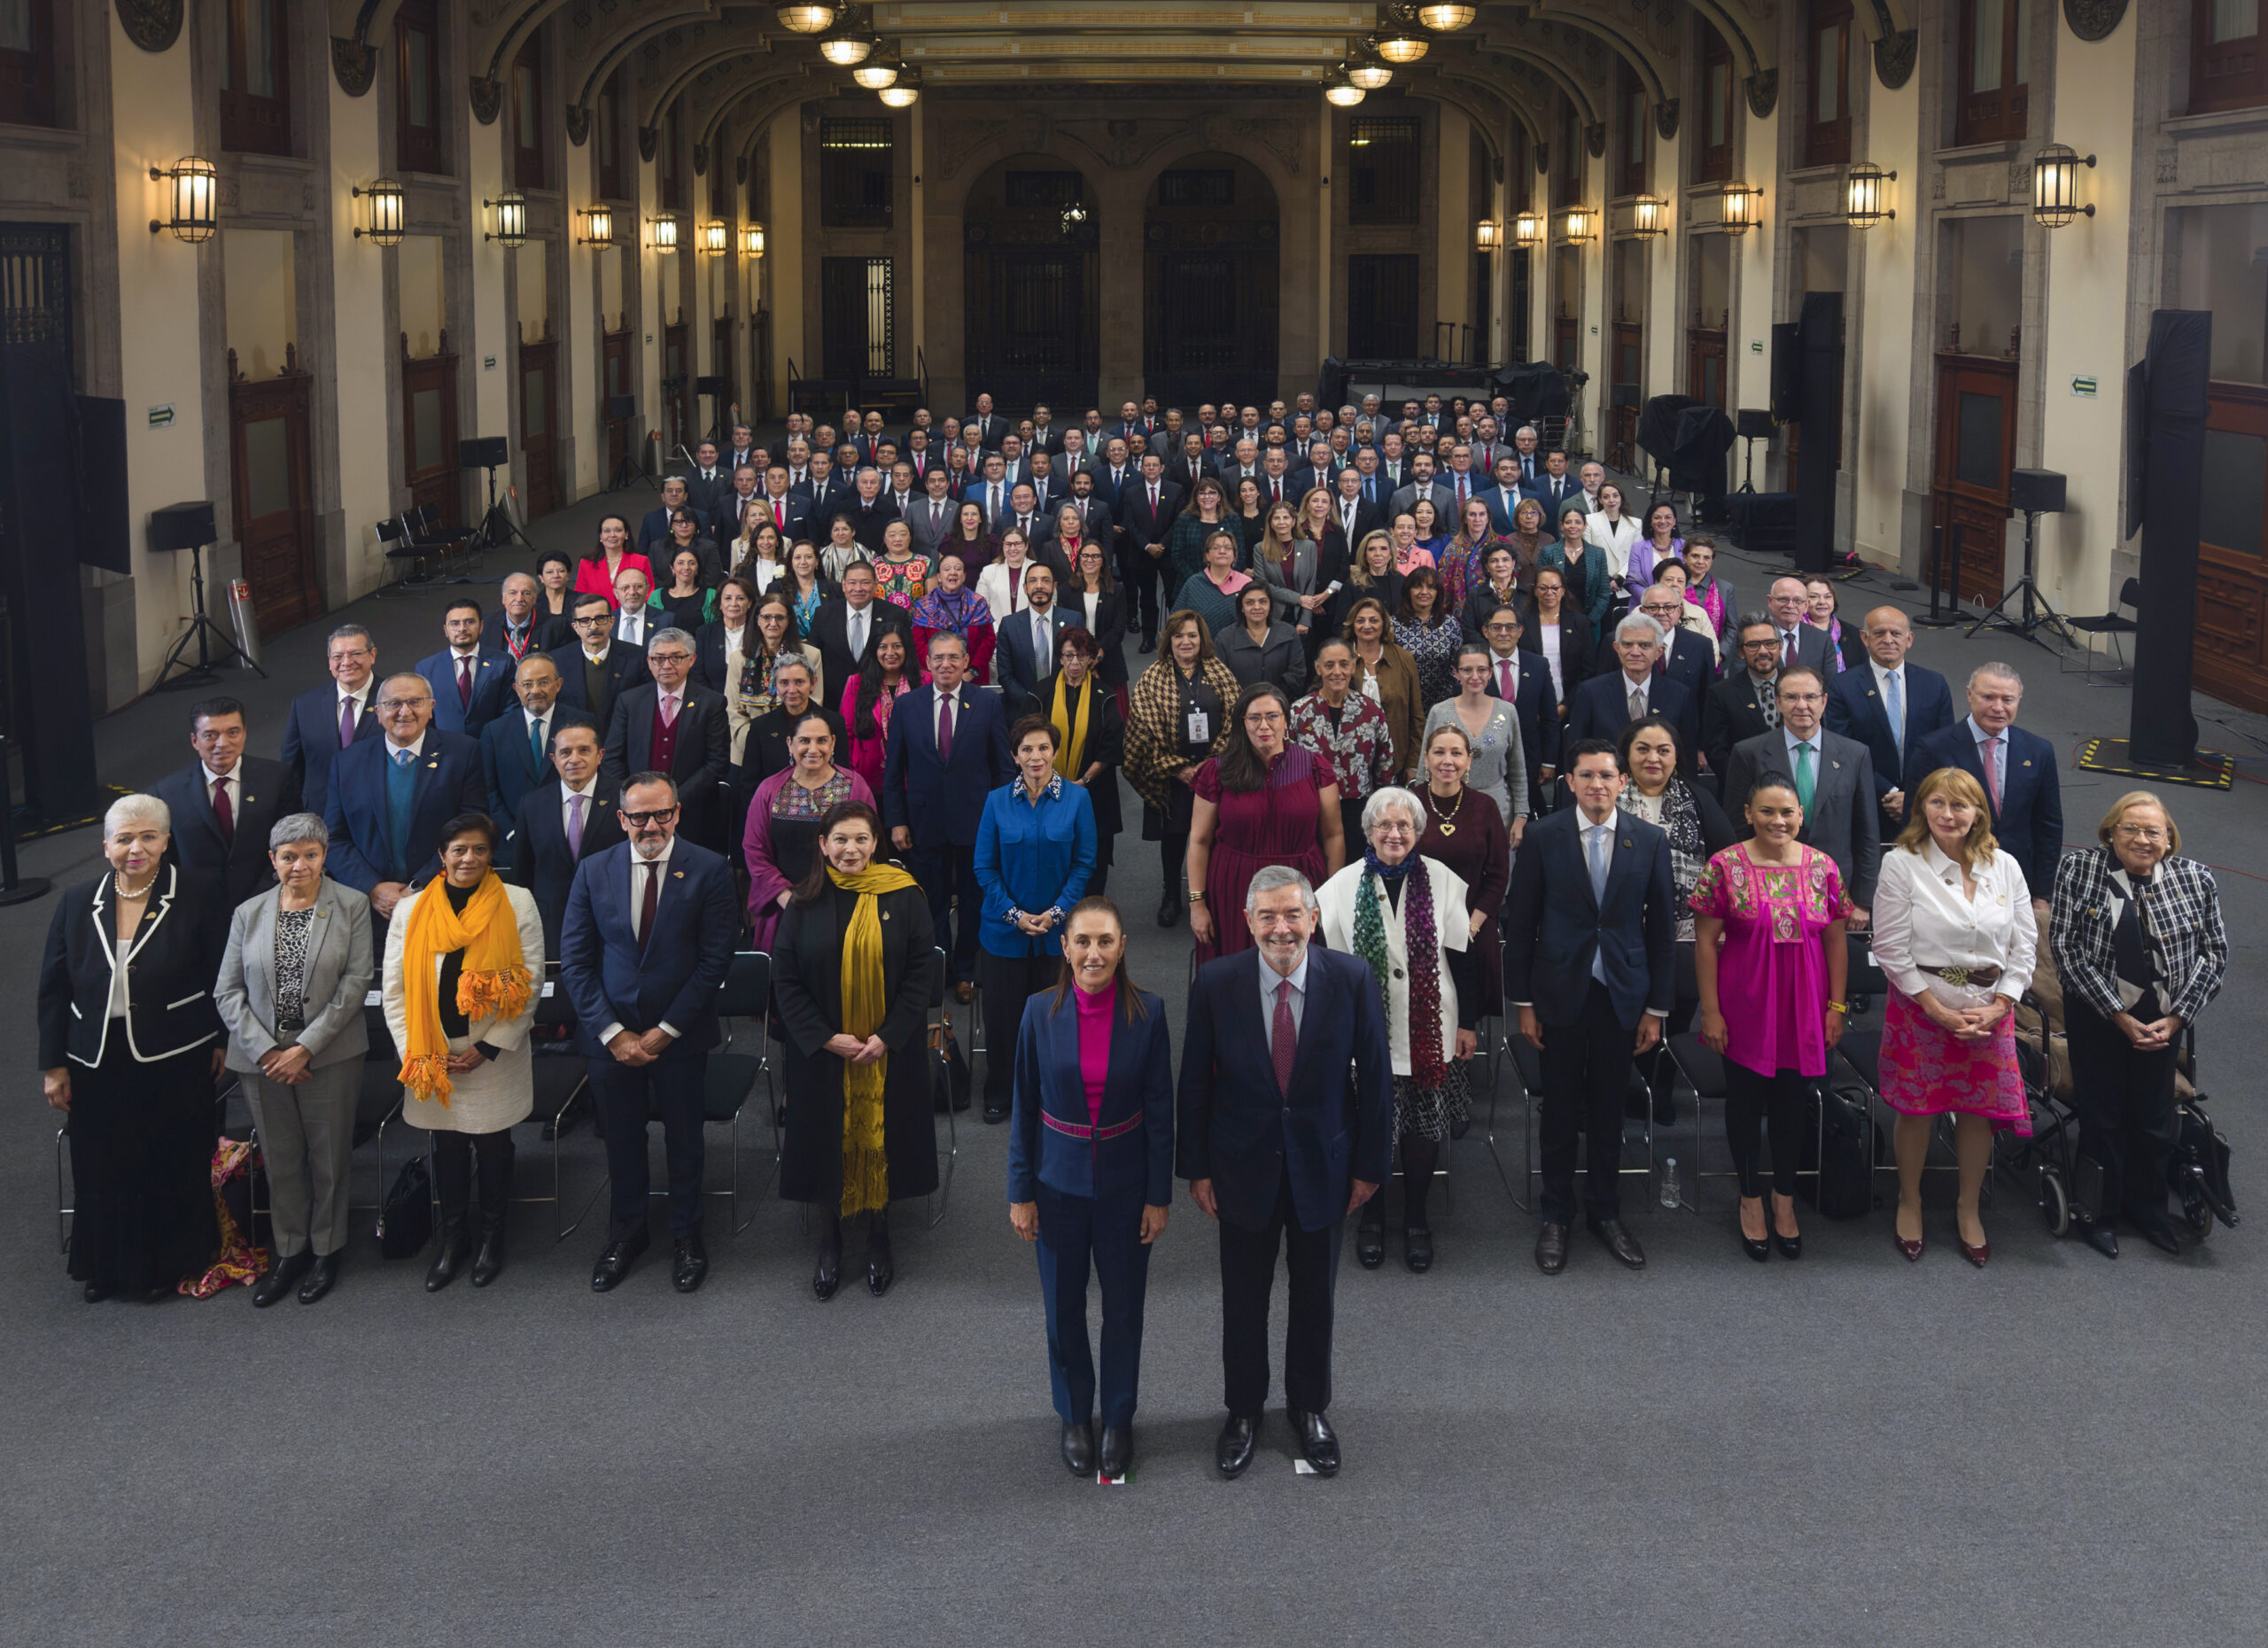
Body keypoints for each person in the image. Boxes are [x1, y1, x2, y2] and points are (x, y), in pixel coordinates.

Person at [1177, 866, 1394, 1479]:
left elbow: (1375, 1080)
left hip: (1324, 1168)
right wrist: (1195, 1169)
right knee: (1243, 1301)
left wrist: (1370, 1167)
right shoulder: (1216, 982)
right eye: (1267, 916)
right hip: (1239, 1169)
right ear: (1247, 922)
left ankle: (1309, 1408)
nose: (1281, 928)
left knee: (1315, 1300)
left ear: (1314, 918)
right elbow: (1194, 1080)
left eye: (1293, 914)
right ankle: (1243, 1411)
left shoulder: (1350, 978)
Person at [1006, 898, 1174, 1480]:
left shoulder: (1148, 1014)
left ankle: (1119, 1416)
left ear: (1123, 945)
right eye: (1083, 941)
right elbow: (1024, 1107)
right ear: (1065, 946)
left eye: (1105, 941)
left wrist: (1159, 1195)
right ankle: (1076, 1414)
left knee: (1124, 1310)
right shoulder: (1037, 1012)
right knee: (1063, 1308)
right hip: (1056, 1184)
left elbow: (1161, 1112)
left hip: (1128, 1186)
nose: (1093, 953)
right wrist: (1019, 1192)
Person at [39, 796, 226, 1302]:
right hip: (95, 1058)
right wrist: (53, 1064)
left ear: (167, 841)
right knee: (101, 1163)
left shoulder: (198, 892)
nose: (135, 848)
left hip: (175, 1054)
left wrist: (219, 1039)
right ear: (105, 846)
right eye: (123, 839)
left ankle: (167, 1265)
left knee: (168, 1158)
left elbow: (220, 976)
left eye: (147, 836)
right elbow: (54, 986)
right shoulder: (78, 900)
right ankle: (107, 1267)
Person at [561, 773, 739, 1294]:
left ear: (677, 813)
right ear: (622, 820)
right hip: (609, 1037)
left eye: (662, 813)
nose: (651, 825)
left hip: (680, 1036)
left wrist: (663, 1032)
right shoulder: (594, 870)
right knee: (621, 1142)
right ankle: (627, 1234)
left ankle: (687, 1235)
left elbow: (714, 963)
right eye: (639, 816)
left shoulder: (710, 869)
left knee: (685, 1141)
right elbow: (575, 961)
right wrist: (615, 1035)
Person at [1504, 740, 1674, 1275]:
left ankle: (1605, 1211)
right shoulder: (1542, 837)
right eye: (1586, 776)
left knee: (1607, 1106)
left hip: (1621, 992)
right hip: (1557, 991)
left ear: (1623, 782)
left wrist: (1658, 1008)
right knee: (1558, 1108)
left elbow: (1663, 932)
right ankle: (1557, 1214)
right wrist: (1523, 1003)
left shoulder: (1650, 839)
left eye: (1607, 776)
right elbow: (1521, 923)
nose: (1597, 785)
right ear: (1570, 783)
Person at [1868, 766, 2039, 1266]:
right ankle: (1910, 1200)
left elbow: (2024, 943)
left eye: (1960, 805)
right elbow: (1890, 946)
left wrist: (2003, 1002)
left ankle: (1968, 1208)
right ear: (1923, 807)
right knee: (1917, 1110)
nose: (1948, 814)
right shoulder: (1902, 864)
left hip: (1991, 1011)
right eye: (1938, 803)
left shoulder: (2005, 865)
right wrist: (1936, 1007)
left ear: (1977, 813)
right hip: (1922, 1006)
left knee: (1978, 1112)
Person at [2049, 792, 2228, 1259]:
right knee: (2102, 1116)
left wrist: (2177, 1017)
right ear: (2111, 832)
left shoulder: (2197, 879)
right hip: (2099, 1016)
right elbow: (2067, 950)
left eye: (2153, 831)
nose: (2141, 839)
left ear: (2169, 840)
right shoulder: (2080, 869)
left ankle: (2148, 1211)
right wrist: (2119, 1015)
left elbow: (2215, 955)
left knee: (2154, 1120)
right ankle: (2099, 1213)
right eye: (2130, 829)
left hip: (2165, 1022)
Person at [773, 800, 936, 1298]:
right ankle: (830, 1239)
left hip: (889, 1049)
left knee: (885, 1134)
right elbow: (786, 979)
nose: (851, 849)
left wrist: (888, 1035)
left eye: (861, 839)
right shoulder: (801, 902)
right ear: (822, 846)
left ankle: (880, 1234)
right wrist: (825, 1037)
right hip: (824, 1052)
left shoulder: (905, 896)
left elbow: (920, 974)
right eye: (840, 839)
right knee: (828, 1137)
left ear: (875, 844)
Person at [1317, 784, 1480, 1272]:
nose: (1394, 833)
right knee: (1371, 1123)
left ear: (1417, 832)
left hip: (1430, 1025)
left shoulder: (1445, 881)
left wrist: (1468, 1025)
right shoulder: (1339, 888)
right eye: (1384, 825)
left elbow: (1464, 959)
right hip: (1363, 1028)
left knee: (1421, 1123)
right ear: (1368, 831)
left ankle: (1415, 1218)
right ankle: (1370, 1216)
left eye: (1404, 825)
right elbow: (1327, 969)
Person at [384, 812, 546, 1291]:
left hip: (493, 1054)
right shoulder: (411, 911)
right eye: (459, 849)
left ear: (491, 854)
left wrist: (490, 1047)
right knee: (447, 1147)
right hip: (432, 1055)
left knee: (494, 1146)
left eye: (478, 849)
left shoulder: (517, 902)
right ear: (442, 855)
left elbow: (532, 979)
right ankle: (452, 1239)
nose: (468, 858)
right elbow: (394, 990)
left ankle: (493, 1237)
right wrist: (416, 1052)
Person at [216, 814, 373, 1306]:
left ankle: (327, 1250)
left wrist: (304, 1048)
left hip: (329, 1056)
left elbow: (356, 984)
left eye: (309, 855)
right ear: (273, 861)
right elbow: (227, 991)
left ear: (325, 856)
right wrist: (268, 1052)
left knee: (327, 1158)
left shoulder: (352, 905)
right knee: (281, 1159)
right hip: (261, 1061)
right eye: (288, 857)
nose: (299, 865)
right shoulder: (249, 913)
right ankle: (290, 1250)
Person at [1692, 778, 1851, 1262]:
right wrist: (1712, 1012)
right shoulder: (1724, 866)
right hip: (1744, 1005)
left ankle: (1784, 1198)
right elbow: (1703, 946)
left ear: (1801, 814)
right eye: (1766, 812)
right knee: (1745, 1103)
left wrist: (1837, 1007)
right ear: (1748, 812)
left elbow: (1838, 942)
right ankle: (1749, 1197)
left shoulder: (1823, 868)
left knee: (1789, 1104)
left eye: (1787, 812)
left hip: (1805, 1005)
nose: (1777, 821)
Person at [975, 716, 1099, 1123]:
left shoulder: (1078, 799)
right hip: (1003, 933)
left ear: (1055, 753)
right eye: (1026, 749)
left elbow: (1084, 865)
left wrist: (1056, 913)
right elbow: (984, 869)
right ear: (1014, 756)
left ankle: (1052, 1095)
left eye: (1043, 748)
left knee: (1056, 1018)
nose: (1036, 756)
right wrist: (1014, 915)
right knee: (1003, 1018)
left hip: (1057, 933)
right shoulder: (996, 801)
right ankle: (1000, 1091)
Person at [1615, 715, 1736, 1124]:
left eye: (1663, 750)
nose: (1653, 758)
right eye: (1643, 749)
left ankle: (1660, 1087)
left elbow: (1727, 859)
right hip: (1621, 931)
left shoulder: (1699, 797)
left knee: (1675, 1014)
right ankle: (1620, 1086)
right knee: (1622, 1013)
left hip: (1685, 932)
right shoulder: (1607, 796)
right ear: (1626, 756)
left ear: (1676, 756)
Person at [882, 632, 1013, 999]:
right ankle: (937, 969)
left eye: (953, 658)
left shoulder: (986, 704)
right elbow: (894, 771)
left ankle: (966, 972)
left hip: (977, 824)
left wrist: (1001, 820)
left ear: (966, 660)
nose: (945, 664)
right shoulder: (908, 706)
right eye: (938, 658)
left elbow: (1003, 768)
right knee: (930, 903)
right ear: (927, 662)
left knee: (974, 902)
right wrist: (897, 820)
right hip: (923, 823)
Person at [1186, 683, 1346, 965]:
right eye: (1254, 718)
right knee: (1235, 977)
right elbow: (1199, 840)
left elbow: (1333, 835)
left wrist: (1333, 896)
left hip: (1301, 883)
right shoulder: (1217, 771)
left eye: (1272, 716)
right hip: (1235, 888)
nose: (1264, 725)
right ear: (1242, 723)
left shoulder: (1314, 767)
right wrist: (1197, 902)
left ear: (1286, 720)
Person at [1721, 666, 1881, 926]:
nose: (1802, 705)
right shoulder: (1748, 753)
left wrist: (1863, 901)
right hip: (1769, 888)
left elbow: (1867, 833)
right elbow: (1738, 827)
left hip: (1837, 893)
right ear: (1778, 702)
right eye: (1792, 697)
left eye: (1810, 697)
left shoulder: (1855, 754)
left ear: (1824, 701)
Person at [322, 673, 487, 921]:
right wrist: (373, 888)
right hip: (370, 908)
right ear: (378, 712)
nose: (405, 711)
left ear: (431, 708)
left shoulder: (463, 753)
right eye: (394, 704)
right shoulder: (347, 763)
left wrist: (420, 886)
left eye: (415, 702)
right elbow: (334, 838)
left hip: (444, 900)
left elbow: (473, 829)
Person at [1123, 610, 1240, 928]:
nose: (1185, 641)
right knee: (1173, 838)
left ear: (1201, 639)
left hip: (1214, 774)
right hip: (1172, 776)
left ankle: (1206, 895)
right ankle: (1171, 894)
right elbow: (1143, 730)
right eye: (1178, 636)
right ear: (1168, 641)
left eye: (1191, 635)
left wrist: (1207, 766)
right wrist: (1180, 770)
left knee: (1213, 837)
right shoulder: (1152, 677)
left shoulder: (1219, 672)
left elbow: (1235, 722)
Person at [743, 711, 875, 954]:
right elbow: (755, 851)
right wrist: (786, 898)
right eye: (804, 740)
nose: (813, 749)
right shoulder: (769, 790)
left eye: (821, 740)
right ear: (790, 744)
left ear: (833, 743)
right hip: (784, 908)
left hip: (844, 905)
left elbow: (867, 847)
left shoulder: (855, 787)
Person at [153, 696, 299, 913]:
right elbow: (166, 860)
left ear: (244, 733)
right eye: (210, 735)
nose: (223, 743)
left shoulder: (278, 778)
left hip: (267, 904)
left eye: (233, 732)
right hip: (198, 912)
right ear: (195, 741)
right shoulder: (167, 793)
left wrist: (260, 899)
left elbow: (291, 844)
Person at [1826, 604, 1956, 828]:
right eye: (1879, 633)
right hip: (1868, 803)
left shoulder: (1935, 684)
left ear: (1909, 639)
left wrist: (1914, 795)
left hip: (1925, 805)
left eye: (1896, 633)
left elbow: (1944, 747)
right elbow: (1842, 749)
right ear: (1865, 638)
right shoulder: (1841, 686)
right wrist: (1890, 792)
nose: (1888, 640)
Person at [600, 627, 730, 850]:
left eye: (676, 658)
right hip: (637, 817)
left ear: (692, 660)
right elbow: (612, 759)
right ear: (649, 662)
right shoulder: (629, 702)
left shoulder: (712, 703)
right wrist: (635, 799)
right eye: (659, 659)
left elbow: (717, 762)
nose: (666, 665)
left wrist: (674, 801)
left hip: (692, 814)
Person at [506, 719, 625, 956]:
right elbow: (522, 873)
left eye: (583, 750)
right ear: (554, 760)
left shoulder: (625, 798)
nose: (574, 759)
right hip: (551, 925)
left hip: (614, 922)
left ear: (600, 756)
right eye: (565, 752)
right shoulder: (532, 805)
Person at [1024, 628, 1124, 898]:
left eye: (1082, 656)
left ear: (1092, 659)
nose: (1075, 664)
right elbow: (1027, 742)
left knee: (1093, 863)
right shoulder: (1040, 694)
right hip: (1044, 791)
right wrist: (1050, 782)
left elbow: (1111, 747)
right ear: (1059, 658)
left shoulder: (1105, 696)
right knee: (1052, 865)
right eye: (1069, 656)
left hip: (1093, 791)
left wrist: (1081, 783)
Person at [479, 654, 593, 869]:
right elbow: (489, 792)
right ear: (516, 689)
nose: (535, 690)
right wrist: (514, 831)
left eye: (543, 682)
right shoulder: (494, 731)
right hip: (513, 845)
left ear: (558, 685)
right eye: (527, 684)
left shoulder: (583, 724)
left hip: (573, 843)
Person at [1565, 612, 1701, 775]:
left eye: (1645, 646)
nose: (1635, 652)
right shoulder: (1591, 693)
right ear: (1616, 648)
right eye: (1628, 645)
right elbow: (1574, 756)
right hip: (1606, 793)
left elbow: (1687, 759)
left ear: (1659, 651)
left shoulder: (1679, 695)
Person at [1425, 643, 1531, 828]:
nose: (1475, 677)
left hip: (1498, 809)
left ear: (1490, 673)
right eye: (1467, 670)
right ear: (1456, 673)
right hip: (1448, 808)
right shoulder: (1439, 712)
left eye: (1482, 670)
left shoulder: (1507, 711)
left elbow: (1517, 767)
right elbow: (1424, 768)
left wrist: (1521, 814)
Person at [1340, 595, 1424, 781]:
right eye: (1360, 620)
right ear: (1352, 625)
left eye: (1374, 620)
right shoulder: (1339, 658)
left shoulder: (1404, 659)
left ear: (1384, 624)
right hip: (1348, 760)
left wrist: (1413, 763)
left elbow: (1416, 715)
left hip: (1396, 760)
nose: (1367, 626)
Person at [810, 559, 914, 700]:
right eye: (852, 583)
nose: (858, 588)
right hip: (834, 699)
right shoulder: (824, 614)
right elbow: (813, 659)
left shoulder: (895, 614)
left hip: (881, 698)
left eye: (865, 582)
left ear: (875, 585)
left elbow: (907, 658)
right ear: (844, 585)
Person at [736, 655, 845, 789]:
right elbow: (749, 783)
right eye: (784, 683)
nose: (792, 690)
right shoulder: (760, 727)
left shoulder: (834, 723)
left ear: (813, 684)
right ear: (775, 685)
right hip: (771, 804)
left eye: (799, 682)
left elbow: (842, 776)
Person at [416, 599, 516, 742]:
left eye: (469, 622)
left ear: (481, 626)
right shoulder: (426, 668)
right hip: (445, 751)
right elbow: (423, 716)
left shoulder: (503, 663)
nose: (462, 628)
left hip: (491, 747)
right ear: (446, 630)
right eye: (454, 623)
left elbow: (510, 710)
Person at [549, 592, 651, 730]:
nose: (593, 626)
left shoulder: (638, 657)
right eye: (585, 621)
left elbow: (645, 708)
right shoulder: (557, 661)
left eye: (600, 618)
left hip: (625, 741)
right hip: (576, 743)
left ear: (612, 622)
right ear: (575, 627)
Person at [1704, 616, 1785, 777]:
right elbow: (1716, 753)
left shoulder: (1799, 689)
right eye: (1753, 645)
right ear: (1741, 651)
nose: (1763, 651)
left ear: (1780, 647)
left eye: (1770, 643)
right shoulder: (1721, 694)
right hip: (1743, 790)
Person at [835, 628, 913, 795]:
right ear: (874, 651)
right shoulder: (856, 682)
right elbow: (846, 732)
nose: (890, 653)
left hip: (913, 775)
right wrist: (849, 775)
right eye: (883, 647)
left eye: (897, 646)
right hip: (867, 777)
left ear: (907, 649)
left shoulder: (924, 680)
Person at [993, 563, 1078, 706]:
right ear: (1025, 588)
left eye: (1046, 580)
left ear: (1054, 586)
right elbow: (1005, 675)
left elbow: (1080, 667)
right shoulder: (1009, 625)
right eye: (1033, 581)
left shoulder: (1073, 620)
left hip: (1065, 706)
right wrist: (1031, 704)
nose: (1039, 586)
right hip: (1023, 710)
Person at [909, 551, 998, 687]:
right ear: (939, 576)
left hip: (972, 679)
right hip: (935, 678)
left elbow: (989, 640)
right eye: (947, 569)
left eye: (958, 569)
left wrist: (972, 672)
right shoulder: (924, 606)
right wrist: (940, 671)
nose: (953, 572)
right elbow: (919, 644)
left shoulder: (978, 603)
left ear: (964, 576)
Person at [1519, 562, 1592, 716]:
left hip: (1571, 704)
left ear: (1563, 591)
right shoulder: (1521, 623)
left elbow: (1588, 670)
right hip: (1531, 706)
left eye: (1555, 588)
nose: (1549, 593)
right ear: (1535, 591)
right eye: (1543, 588)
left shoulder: (1579, 622)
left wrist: (1567, 706)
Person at [1217, 580, 1309, 696]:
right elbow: (1220, 679)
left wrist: (1271, 699)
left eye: (1263, 602)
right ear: (1241, 607)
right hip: (1239, 707)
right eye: (1250, 603)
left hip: (1279, 706)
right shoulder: (1225, 638)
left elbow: (1297, 674)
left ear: (1270, 605)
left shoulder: (1289, 633)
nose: (1257, 607)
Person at [1060, 539, 1127, 691]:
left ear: (1103, 561)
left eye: (1095, 556)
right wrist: (1083, 653)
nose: (1090, 560)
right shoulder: (1066, 591)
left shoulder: (1117, 590)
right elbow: (1065, 626)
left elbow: (1119, 628)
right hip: (1075, 658)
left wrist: (1100, 649)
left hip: (1109, 658)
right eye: (1085, 556)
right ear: (1079, 560)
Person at [1391, 567, 1463, 709]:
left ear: (1438, 593)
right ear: (1408, 591)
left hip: (1443, 704)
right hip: (1403, 704)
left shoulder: (1450, 624)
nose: (1424, 592)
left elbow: (1458, 667)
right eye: (1417, 586)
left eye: (1431, 587)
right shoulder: (1393, 624)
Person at [1173, 527, 1257, 639]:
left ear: (1234, 556)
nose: (1222, 551)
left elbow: (1257, 621)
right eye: (1216, 548)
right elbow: (1176, 620)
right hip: (1201, 649)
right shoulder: (1194, 584)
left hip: (1240, 647)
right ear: (1207, 555)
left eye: (1228, 548)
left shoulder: (1246, 584)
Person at [1541, 501, 1612, 632]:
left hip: (1590, 622)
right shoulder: (1548, 552)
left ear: (1585, 526)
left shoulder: (1598, 553)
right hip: (1556, 622)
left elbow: (1604, 593)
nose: (1573, 526)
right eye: (1568, 522)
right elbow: (1541, 589)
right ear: (1562, 526)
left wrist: (1590, 620)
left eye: (1578, 522)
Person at [1166, 475, 1234, 592]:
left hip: (1226, 584)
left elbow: (1239, 553)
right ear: (1196, 498)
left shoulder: (1232, 519)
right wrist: (1198, 580)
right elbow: (1177, 555)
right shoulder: (1184, 520)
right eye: (1202, 493)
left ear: (1219, 497)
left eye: (1212, 493)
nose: (1207, 497)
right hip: (1191, 584)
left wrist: (1223, 578)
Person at [1763, 576, 1837, 676]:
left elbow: (1830, 684)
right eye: (1783, 599)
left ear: (1806, 606)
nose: (1790, 605)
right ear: (1770, 601)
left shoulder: (1822, 640)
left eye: (1798, 601)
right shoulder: (1753, 635)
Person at [574, 514, 653, 607]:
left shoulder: (641, 561)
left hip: (631, 616)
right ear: (600, 536)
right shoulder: (587, 563)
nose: (612, 535)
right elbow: (580, 597)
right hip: (597, 617)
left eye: (618, 530)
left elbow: (649, 593)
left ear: (626, 534)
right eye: (607, 531)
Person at [1677, 536, 1736, 640]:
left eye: (1706, 558)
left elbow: (1732, 627)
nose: (1701, 561)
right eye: (1695, 556)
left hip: (1716, 652)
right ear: (1684, 557)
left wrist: (1721, 654)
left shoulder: (1725, 588)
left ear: (1712, 560)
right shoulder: (1674, 587)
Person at [1804, 573, 1863, 671]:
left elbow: (1862, 668)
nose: (1822, 602)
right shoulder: (1795, 631)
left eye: (1828, 597)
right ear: (1803, 601)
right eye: (1814, 597)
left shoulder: (1851, 632)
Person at [656, 546, 715, 634]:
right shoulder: (657, 595)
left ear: (697, 569)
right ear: (672, 568)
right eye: (680, 563)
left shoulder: (710, 596)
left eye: (692, 563)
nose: (686, 567)